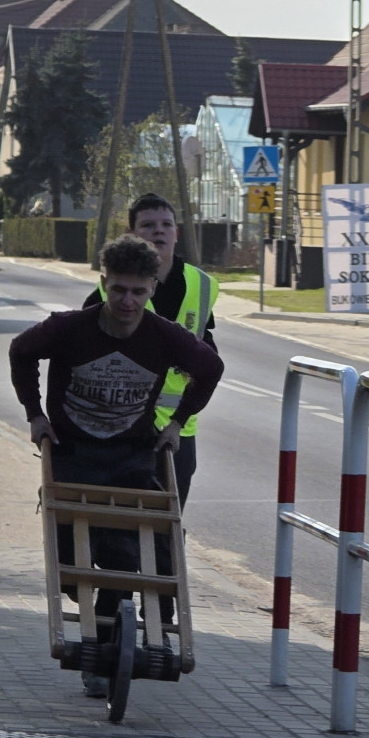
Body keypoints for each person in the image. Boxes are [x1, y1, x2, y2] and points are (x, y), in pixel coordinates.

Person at [9, 234, 224, 698]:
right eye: (118, 290)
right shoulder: (70, 328)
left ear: (152, 288)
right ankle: (98, 627)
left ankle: (105, 653)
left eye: (138, 291)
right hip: (73, 457)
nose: (127, 301)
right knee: (70, 562)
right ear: (103, 283)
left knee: (127, 561)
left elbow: (211, 368)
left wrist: (179, 422)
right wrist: (36, 415)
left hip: (130, 458)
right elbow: (21, 352)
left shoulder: (164, 337)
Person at [83, 192, 219, 511]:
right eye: (148, 225)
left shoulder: (201, 285)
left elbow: (208, 354)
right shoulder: (109, 292)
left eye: (166, 224)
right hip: (121, 431)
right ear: (132, 235)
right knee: (125, 527)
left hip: (177, 430)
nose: (159, 231)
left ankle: (166, 561)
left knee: (167, 525)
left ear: (176, 233)